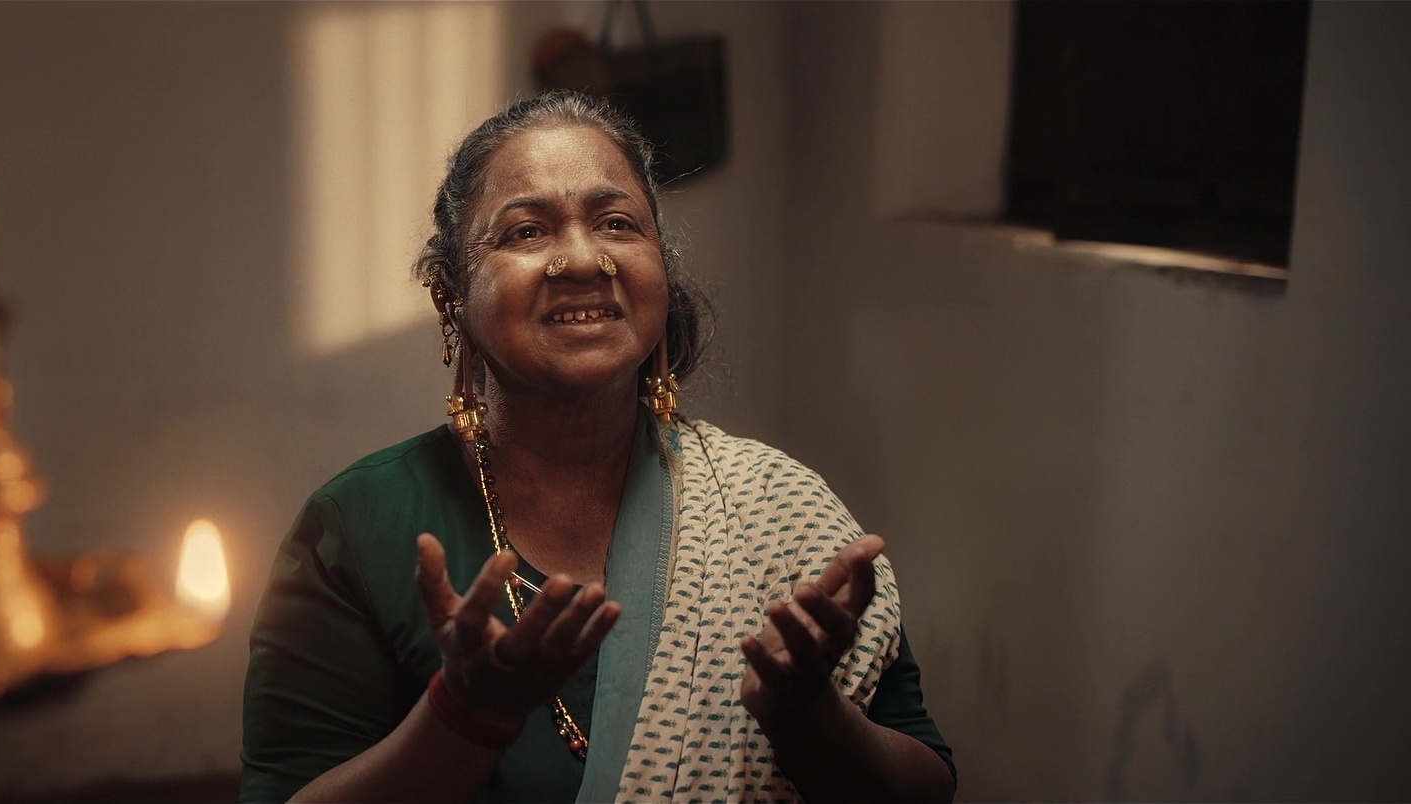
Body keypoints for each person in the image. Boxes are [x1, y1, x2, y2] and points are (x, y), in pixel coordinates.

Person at [241, 90, 955, 803]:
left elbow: (925, 787)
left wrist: (807, 714)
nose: (583, 259)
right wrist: (464, 720)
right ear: (450, 297)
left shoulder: (771, 512)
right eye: (526, 232)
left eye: (617, 224)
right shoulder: (359, 527)